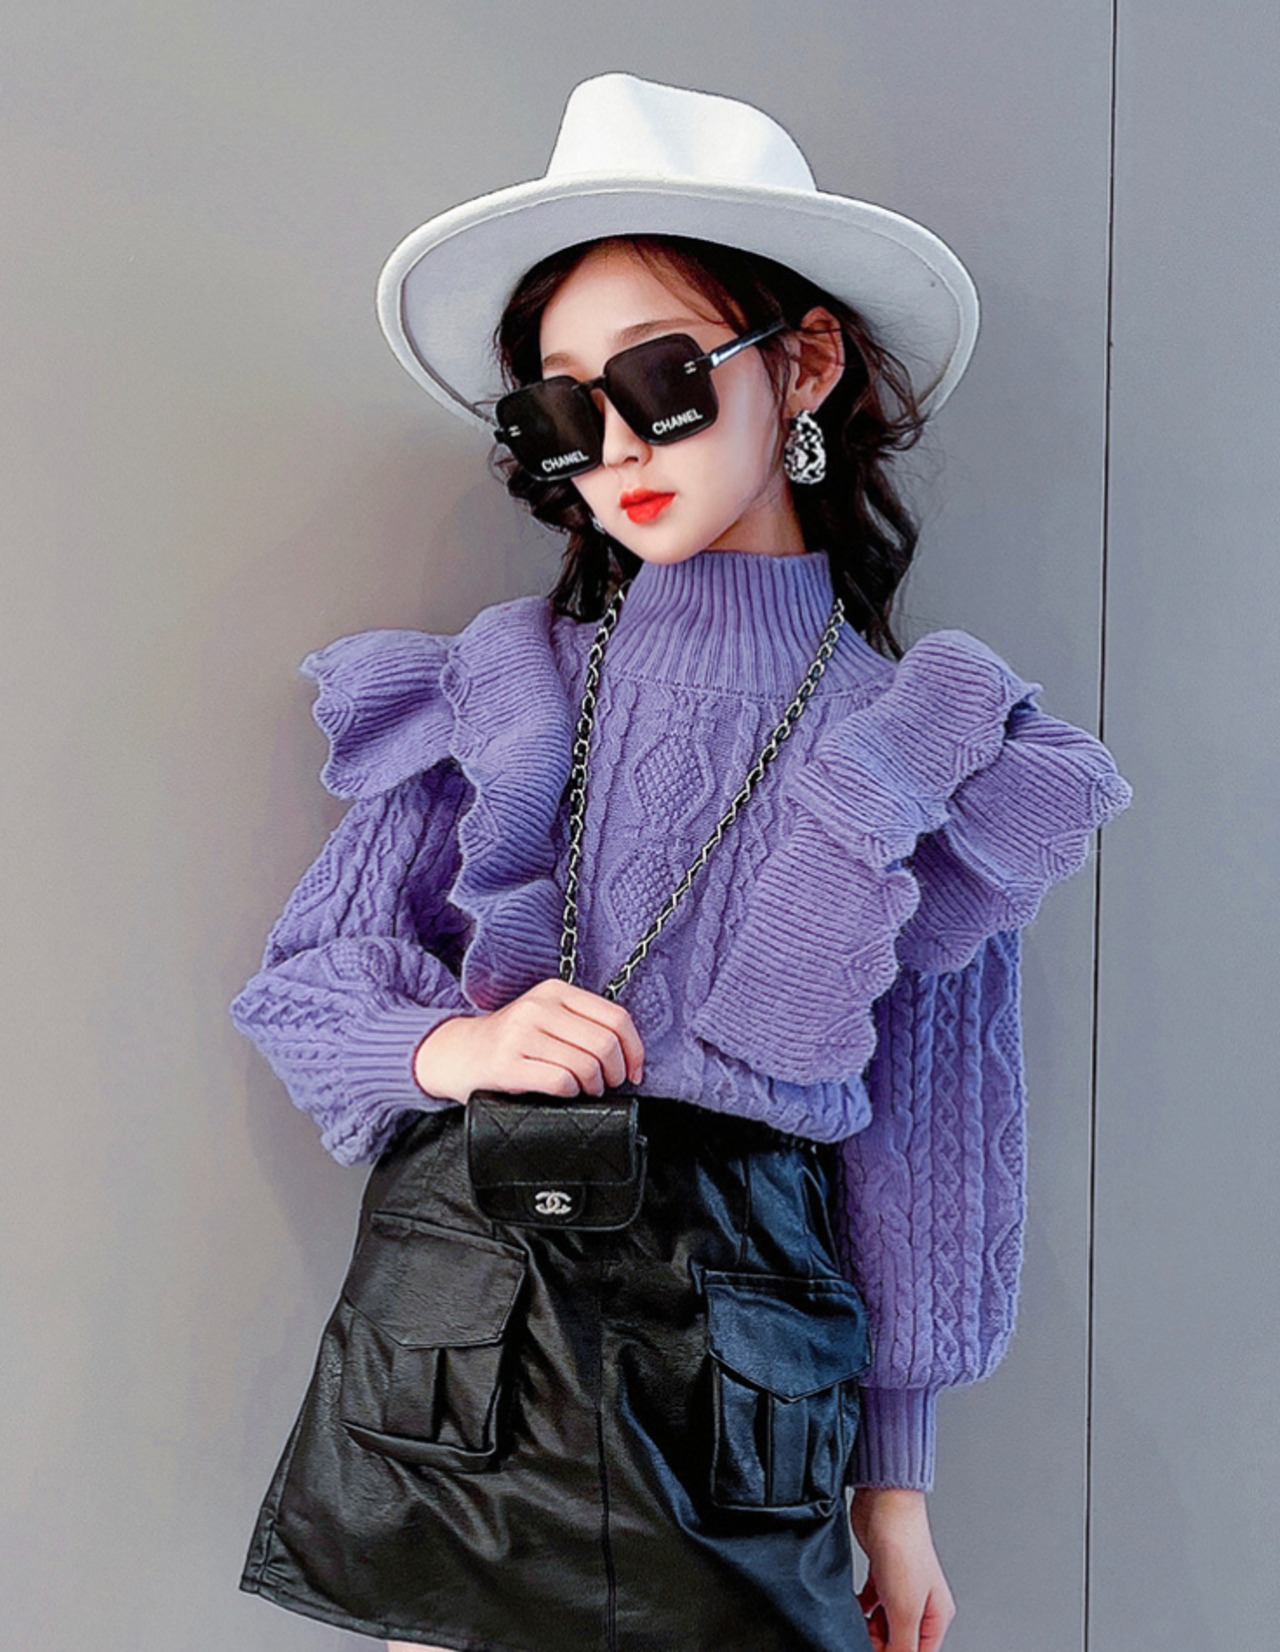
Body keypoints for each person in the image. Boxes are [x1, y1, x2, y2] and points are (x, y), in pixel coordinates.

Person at [229, 72, 1134, 1652]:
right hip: (464, 1381)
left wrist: (896, 1491)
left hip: (741, 1393)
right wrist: (458, 1046)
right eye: (558, 414)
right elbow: (303, 988)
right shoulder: (499, 692)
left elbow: (932, 1146)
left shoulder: (923, 748)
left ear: (805, 362)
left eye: (659, 379)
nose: (613, 449)